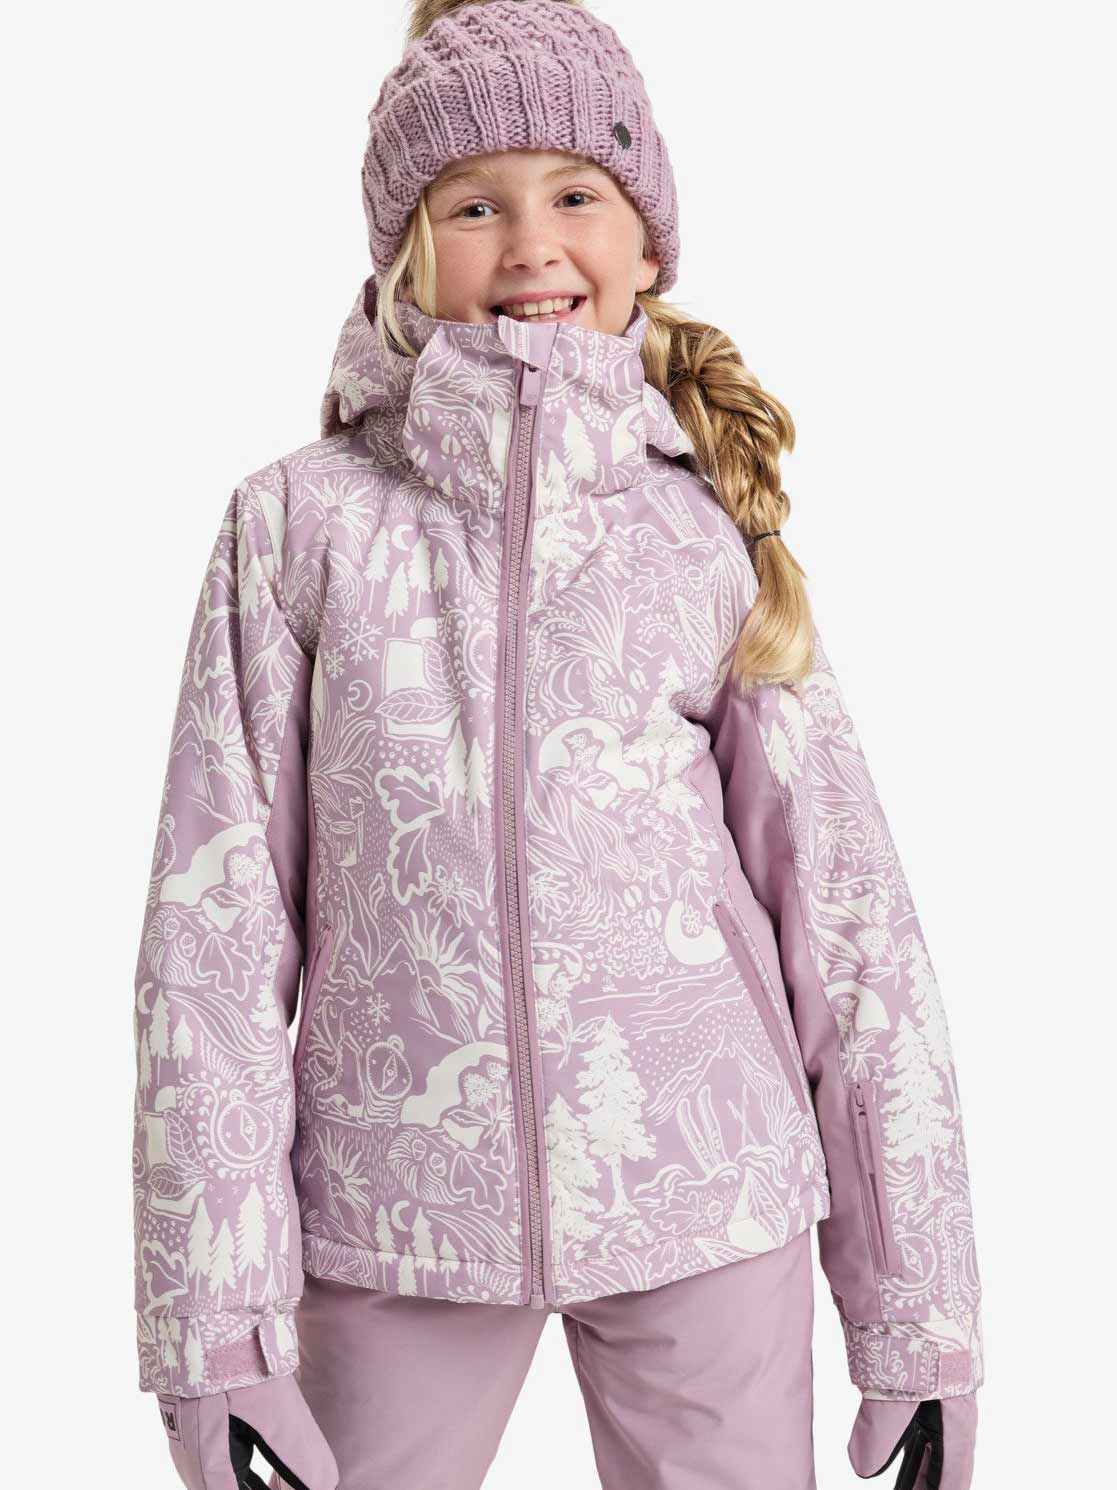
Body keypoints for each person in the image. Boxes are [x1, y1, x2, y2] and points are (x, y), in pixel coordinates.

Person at [130, 3, 984, 1487]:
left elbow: (851, 928)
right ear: (404, 253)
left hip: (708, 1188)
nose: (532, 244)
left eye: (576, 193)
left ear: (648, 243)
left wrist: (918, 1320)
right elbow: (211, 942)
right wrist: (215, 1336)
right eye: (473, 205)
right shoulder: (298, 527)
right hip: (394, 1211)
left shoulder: (703, 535)